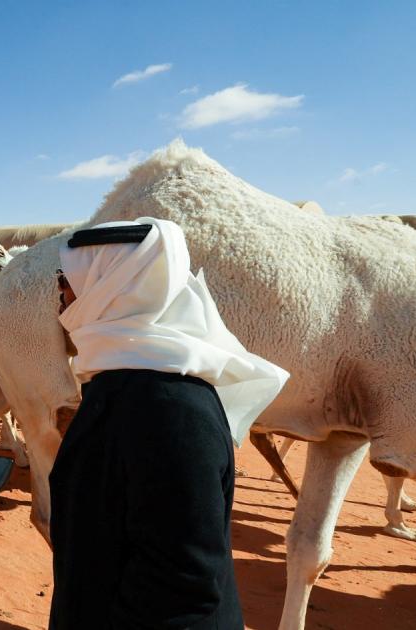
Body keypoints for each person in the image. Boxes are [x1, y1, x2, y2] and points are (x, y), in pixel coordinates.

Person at [47, 218, 289, 629]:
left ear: (112, 287)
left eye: (64, 280)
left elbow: (182, 585)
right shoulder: (128, 380)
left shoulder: (168, 409)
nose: (60, 298)